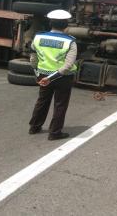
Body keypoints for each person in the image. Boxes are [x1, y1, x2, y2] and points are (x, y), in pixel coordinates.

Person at [28, 9, 78, 140]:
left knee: (42, 101)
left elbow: (33, 58)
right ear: (66, 25)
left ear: (50, 23)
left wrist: (38, 74)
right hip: (63, 78)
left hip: (43, 75)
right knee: (60, 104)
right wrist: (52, 77)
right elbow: (67, 65)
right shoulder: (70, 42)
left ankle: (34, 127)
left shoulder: (38, 37)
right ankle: (54, 133)